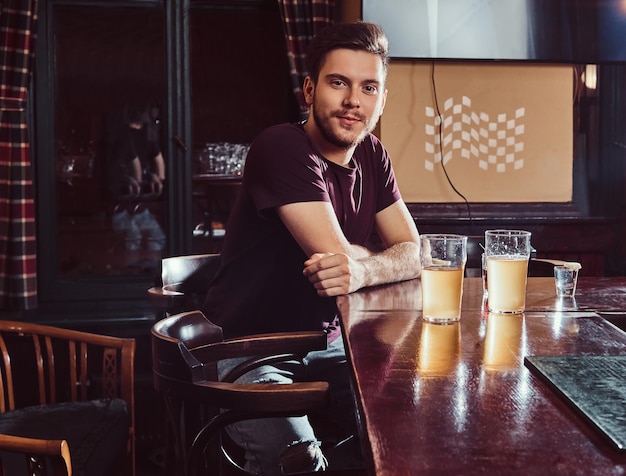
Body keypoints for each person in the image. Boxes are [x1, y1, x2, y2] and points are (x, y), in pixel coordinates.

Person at [202, 21, 421, 474]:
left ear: (382, 99)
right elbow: (340, 259)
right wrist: (371, 261)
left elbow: (414, 252)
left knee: (413, 426)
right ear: (308, 89)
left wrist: (363, 269)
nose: (352, 101)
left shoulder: (373, 156)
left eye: (368, 87)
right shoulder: (281, 146)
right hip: (250, 352)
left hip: (331, 348)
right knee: (299, 463)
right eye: (338, 82)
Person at [104, 103, 166, 254]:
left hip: (128, 190)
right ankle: (141, 265)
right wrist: (159, 179)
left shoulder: (129, 134)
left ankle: (137, 263)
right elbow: (140, 161)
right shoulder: (138, 135)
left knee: (141, 235)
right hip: (130, 191)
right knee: (146, 236)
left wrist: (154, 179)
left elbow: (141, 160)